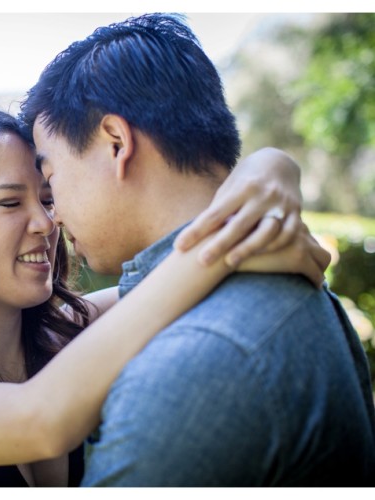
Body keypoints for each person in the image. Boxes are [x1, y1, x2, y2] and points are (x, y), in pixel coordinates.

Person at [0, 103, 328, 487]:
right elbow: (39, 420)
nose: (47, 223)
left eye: (48, 198)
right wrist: (220, 251)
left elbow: (161, 283)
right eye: (10, 202)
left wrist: (275, 166)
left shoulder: (70, 331)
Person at [19, 13, 375, 486]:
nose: (53, 215)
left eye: (50, 179)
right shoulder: (284, 280)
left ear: (116, 143)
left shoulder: (188, 365)